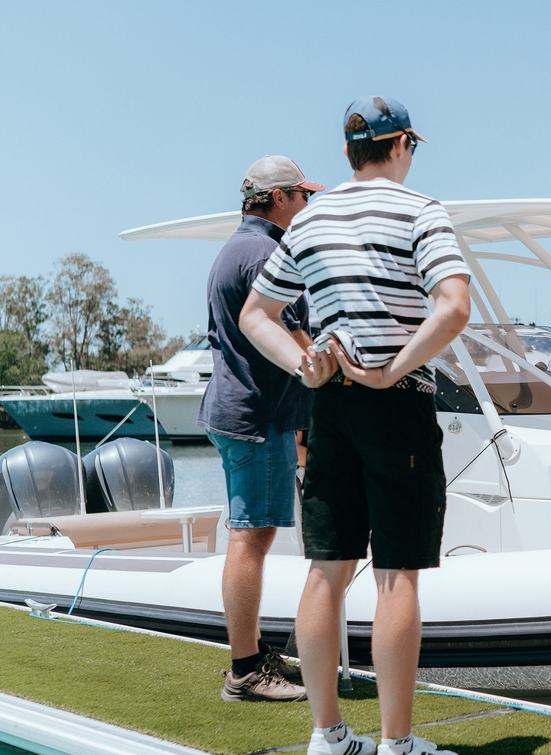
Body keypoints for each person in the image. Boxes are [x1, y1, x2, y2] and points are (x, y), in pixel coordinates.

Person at [241, 96, 471, 755]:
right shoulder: (423, 211)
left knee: (326, 570)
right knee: (397, 573)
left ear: (347, 153)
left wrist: (304, 366)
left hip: (330, 403)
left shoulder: (311, 221)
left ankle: (328, 735)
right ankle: (397, 744)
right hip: (395, 403)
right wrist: (395, 365)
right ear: (401, 146)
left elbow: (257, 313)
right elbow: (453, 308)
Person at [203, 155, 323, 703]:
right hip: (256, 418)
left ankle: (249, 656)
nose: (307, 205)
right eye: (303, 196)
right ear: (279, 199)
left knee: (252, 534)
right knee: (250, 538)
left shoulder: (236, 248)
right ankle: (246, 670)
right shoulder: (267, 254)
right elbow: (299, 344)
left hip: (242, 413)